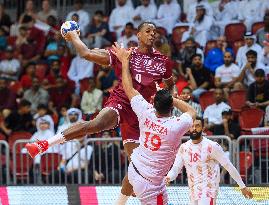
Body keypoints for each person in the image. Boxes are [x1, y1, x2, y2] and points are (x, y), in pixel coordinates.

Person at [25, 21, 174, 204]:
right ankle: (44, 144)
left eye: (155, 31)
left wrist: (174, 96)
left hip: (142, 115)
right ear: (139, 35)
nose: (152, 34)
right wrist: (73, 37)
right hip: (123, 102)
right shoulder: (125, 54)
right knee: (96, 124)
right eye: (148, 31)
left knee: (137, 170)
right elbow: (86, 53)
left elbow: (169, 86)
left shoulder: (163, 61)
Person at [114, 44, 196, 204]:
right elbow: (192, 112)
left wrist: (125, 62)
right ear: (171, 106)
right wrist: (174, 99)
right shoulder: (175, 126)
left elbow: (128, 88)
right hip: (150, 184)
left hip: (135, 170)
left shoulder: (146, 112)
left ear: (154, 103)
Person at [165, 118, 253, 205]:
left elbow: (228, 166)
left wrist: (242, 186)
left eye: (197, 126)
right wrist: (169, 177)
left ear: (203, 128)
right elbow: (176, 168)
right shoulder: (184, 148)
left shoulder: (212, 146)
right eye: (192, 126)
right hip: (193, 191)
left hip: (208, 191)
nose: (194, 128)